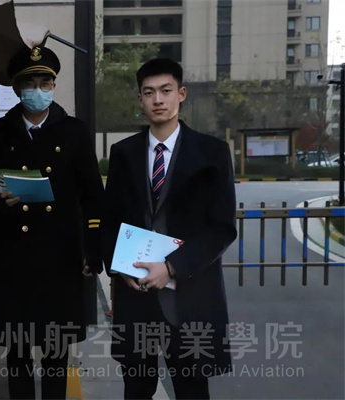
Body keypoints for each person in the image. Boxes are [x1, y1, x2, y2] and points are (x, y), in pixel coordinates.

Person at [0, 45, 104, 399]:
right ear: (16, 88)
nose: (38, 91)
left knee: (56, 350)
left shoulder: (74, 131)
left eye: (45, 83)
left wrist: (92, 250)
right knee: (18, 351)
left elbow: (92, 195)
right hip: (11, 254)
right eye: (30, 84)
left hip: (60, 254)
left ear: (54, 86)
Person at [101, 58, 237, 399]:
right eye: (149, 93)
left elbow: (221, 228)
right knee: (136, 389)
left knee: (192, 390)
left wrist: (172, 267)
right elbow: (110, 219)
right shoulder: (123, 153)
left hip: (190, 295)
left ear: (181, 94)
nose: (158, 100)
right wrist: (119, 267)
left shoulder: (212, 153)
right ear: (140, 99)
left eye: (165, 91)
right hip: (137, 295)